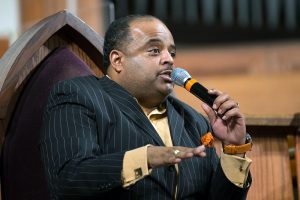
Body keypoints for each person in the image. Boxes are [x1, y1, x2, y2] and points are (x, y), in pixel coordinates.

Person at [40, 14, 252, 200]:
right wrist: (146, 158)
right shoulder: (79, 95)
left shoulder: (193, 120)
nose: (169, 59)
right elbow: (68, 178)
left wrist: (234, 150)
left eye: (172, 53)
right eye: (154, 50)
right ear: (117, 60)